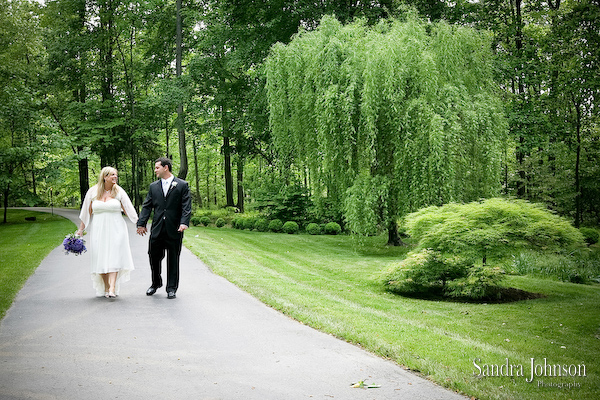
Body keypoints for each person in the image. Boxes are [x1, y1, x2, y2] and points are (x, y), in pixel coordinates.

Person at [77, 167, 138, 298]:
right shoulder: (92, 192)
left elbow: (129, 209)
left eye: (116, 175)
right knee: (101, 257)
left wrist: (139, 224)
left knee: (114, 256)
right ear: (105, 177)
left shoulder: (119, 191)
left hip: (117, 229)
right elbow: (86, 213)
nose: (115, 177)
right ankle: (105, 287)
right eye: (112, 175)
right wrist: (81, 229)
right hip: (99, 229)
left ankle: (112, 288)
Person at [136, 157, 192, 299]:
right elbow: (147, 206)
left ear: (165, 168)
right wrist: (141, 223)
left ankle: (171, 288)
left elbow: (186, 206)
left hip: (175, 228)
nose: (155, 170)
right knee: (153, 256)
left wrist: (184, 222)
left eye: (157, 168)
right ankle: (155, 283)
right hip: (157, 228)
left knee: (173, 258)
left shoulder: (182, 185)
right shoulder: (153, 187)